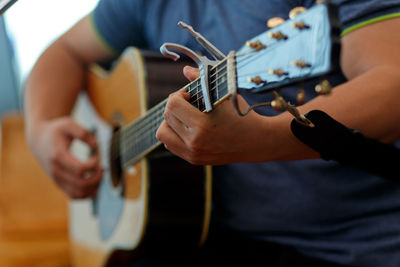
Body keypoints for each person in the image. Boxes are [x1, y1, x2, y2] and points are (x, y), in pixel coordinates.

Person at [24, 0, 400, 266]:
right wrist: (40, 131)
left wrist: (264, 139)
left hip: (355, 243)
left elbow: (392, 86)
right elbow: (65, 51)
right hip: (206, 234)